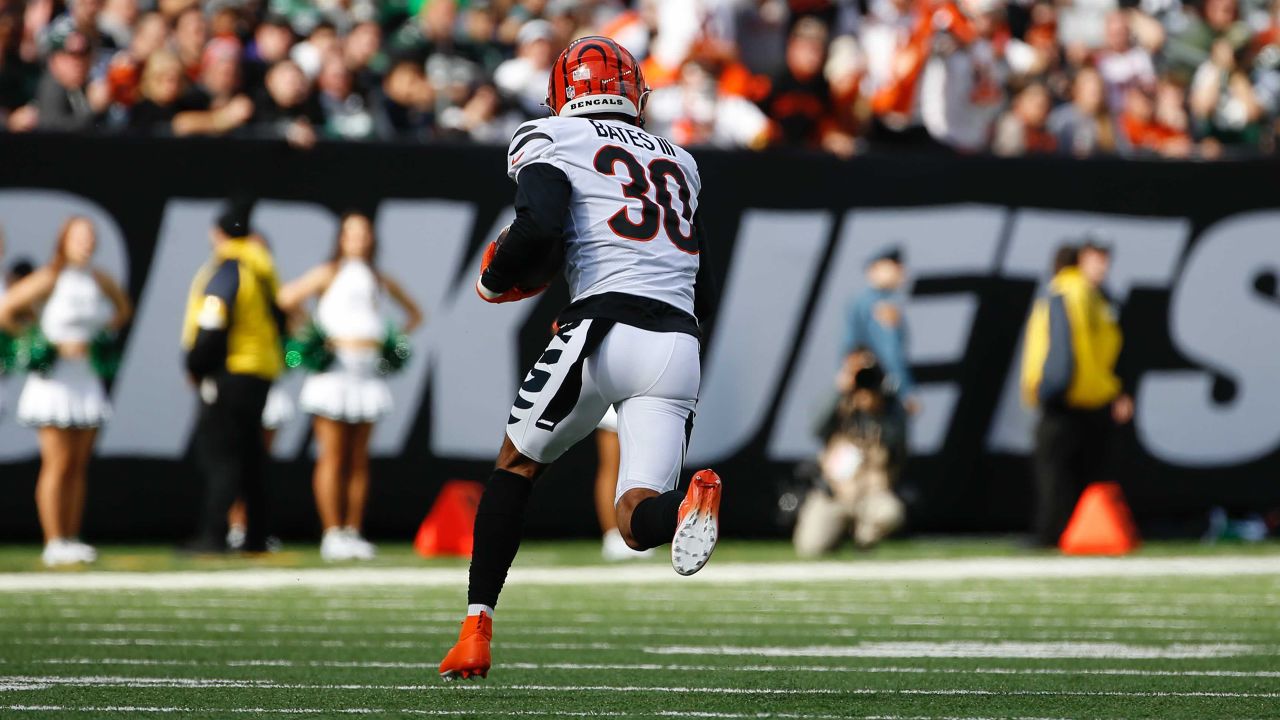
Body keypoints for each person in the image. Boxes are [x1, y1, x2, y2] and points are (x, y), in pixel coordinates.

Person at [438, 36, 721, 681]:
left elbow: (540, 224)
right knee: (636, 519)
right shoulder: (682, 159)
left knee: (516, 465)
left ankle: (476, 629)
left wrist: (495, 277)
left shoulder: (550, 136)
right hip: (675, 339)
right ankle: (684, 509)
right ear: (633, 93)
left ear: (563, 90)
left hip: (602, 325)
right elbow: (703, 274)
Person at [277, 212, 423, 562]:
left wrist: (391, 342)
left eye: (364, 233)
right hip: (334, 372)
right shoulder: (328, 272)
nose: (358, 239)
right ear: (341, 239)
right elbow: (286, 298)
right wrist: (312, 335)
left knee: (359, 459)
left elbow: (414, 314)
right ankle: (331, 533)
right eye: (351, 233)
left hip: (367, 373)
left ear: (372, 239)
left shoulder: (378, 278)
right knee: (333, 455)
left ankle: (353, 531)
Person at [0, 217, 132, 567]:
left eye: (91, 237)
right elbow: (6, 311)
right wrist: (45, 343)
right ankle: (53, 540)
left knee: (78, 465)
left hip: (85, 380)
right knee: (57, 464)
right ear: (64, 240)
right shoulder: (50, 276)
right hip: (53, 382)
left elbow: (122, 309)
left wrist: (98, 338)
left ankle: (72, 537)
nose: (86, 243)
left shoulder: (99, 278)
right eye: (79, 237)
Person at [180, 202, 284, 554]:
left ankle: (213, 534)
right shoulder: (263, 268)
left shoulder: (227, 269)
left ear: (217, 233)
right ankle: (256, 534)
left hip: (230, 371)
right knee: (252, 455)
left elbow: (213, 322)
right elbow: (282, 319)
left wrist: (196, 366)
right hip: (260, 370)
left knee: (221, 456)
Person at [1020, 239, 1132, 548]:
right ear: (1080, 259)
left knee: (1071, 471)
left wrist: (1115, 390)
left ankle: (1066, 533)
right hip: (1067, 396)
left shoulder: (1097, 297)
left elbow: (1106, 353)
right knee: (1059, 470)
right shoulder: (1072, 291)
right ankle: (1055, 533)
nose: (1102, 265)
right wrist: (1054, 384)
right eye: (1096, 257)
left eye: (1105, 258)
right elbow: (1062, 349)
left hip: (1088, 397)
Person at [794, 362, 907, 556]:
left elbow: (897, 440)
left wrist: (879, 404)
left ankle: (863, 538)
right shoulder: (840, 407)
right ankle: (836, 535)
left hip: (871, 495)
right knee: (810, 547)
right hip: (835, 494)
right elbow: (816, 428)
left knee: (891, 513)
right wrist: (840, 390)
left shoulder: (889, 411)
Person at [842, 248, 917, 414]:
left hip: (882, 387)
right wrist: (905, 391)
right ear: (874, 269)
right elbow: (889, 352)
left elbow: (894, 354)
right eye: (894, 267)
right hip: (871, 387)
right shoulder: (870, 304)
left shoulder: (887, 303)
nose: (900, 272)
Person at [593, 407, 654, 561]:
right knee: (611, 467)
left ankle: (638, 532)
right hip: (616, 394)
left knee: (642, 469)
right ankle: (612, 535)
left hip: (647, 396)